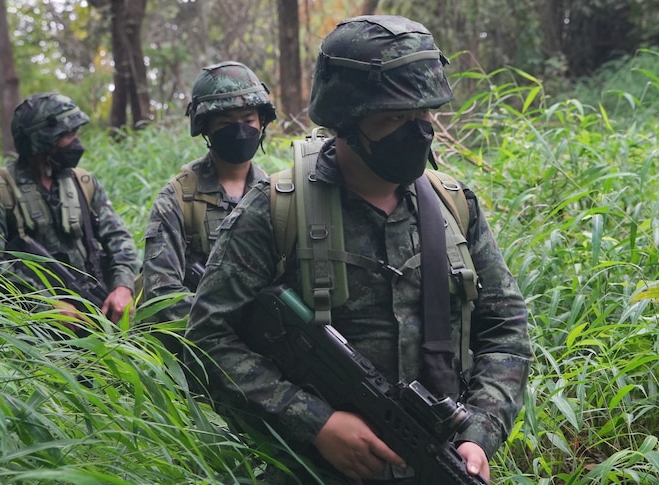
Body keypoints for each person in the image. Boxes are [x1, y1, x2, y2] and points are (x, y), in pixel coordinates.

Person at [186, 15, 532, 484]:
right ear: (346, 119)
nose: (418, 132)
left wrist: (478, 433)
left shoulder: (455, 206)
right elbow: (207, 340)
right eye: (394, 118)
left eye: (425, 115)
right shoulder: (272, 211)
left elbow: (505, 327)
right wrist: (316, 422)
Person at [140, 61, 276, 353]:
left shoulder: (276, 194)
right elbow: (161, 292)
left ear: (262, 122)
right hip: (197, 349)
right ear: (207, 127)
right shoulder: (178, 197)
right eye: (226, 123)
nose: (240, 130)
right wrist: (221, 333)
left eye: (248, 119)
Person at [0, 92, 139, 328]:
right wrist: (45, 306)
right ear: (41, 140)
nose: (76, 142)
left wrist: (123, 286)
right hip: (32, 328)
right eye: (68, 135)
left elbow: (119, 239)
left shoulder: (83, 183)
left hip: (95, 304)